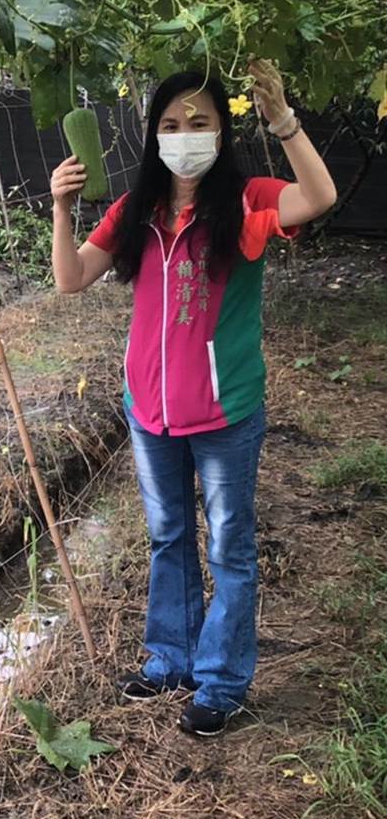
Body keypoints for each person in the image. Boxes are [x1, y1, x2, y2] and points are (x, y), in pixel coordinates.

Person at [51, 60, 337, 738]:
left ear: (221, 132)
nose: (185, 135)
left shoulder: (247, 200)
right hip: (149, 412)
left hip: (224, 412)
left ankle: (221, 682)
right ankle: (170, 659)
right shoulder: (136, 211)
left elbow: (319, 196)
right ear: (154, 134)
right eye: (172, 124)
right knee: (168, 537)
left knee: (230, 548)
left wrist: (285, 122)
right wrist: (62, 209)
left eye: (200, 123)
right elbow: (71, 279)